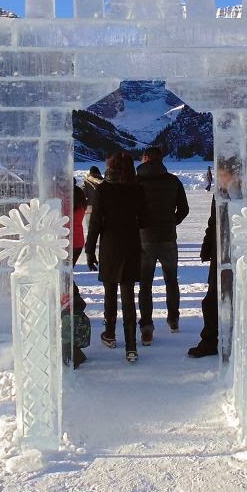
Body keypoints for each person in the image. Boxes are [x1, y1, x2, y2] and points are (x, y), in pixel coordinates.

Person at [85, 150, 150, 363]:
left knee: (110, 292)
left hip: (109, 246)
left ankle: (110, 334)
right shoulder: (137, 189)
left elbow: (95, 223)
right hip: (131, 245)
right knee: (128, 296)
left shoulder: (103, 189)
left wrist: (89, 250)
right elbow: (145, 220)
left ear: (110, 167)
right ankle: (131, 346)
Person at [189, 158, 244, 358]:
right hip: (220, 251)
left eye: (223, 174)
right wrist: (207, 245)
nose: (220, 178)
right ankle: (210, 341)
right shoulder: (220, 193)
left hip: (240, 251)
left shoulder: (246, 194)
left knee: (238, 297)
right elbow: (214, 221)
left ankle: (238, 340)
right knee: (212, 298)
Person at [136, 146, 190, 341]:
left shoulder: (136, 182)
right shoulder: (173, 181)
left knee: (145, 285)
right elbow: (184, 209)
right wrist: (171, 222)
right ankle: (173, 319)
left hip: (144, 239)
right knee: (171, 281)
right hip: (168, 237)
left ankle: (147, 327)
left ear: (146, 158)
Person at [63, 181, 90, 368]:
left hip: (64, 241)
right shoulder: (79, 195)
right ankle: (74, 299)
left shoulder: (64, 197)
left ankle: (75, 301)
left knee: (64, 278)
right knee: (66, 276)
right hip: (78, 240)